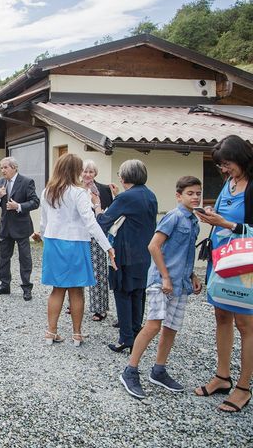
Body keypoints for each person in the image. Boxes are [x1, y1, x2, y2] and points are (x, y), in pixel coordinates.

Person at [120, 176, 203, 399]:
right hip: (161, 282)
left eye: (198, 193)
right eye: (190, 193)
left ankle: (159, 370)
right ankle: (130, 370)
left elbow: (184, 253)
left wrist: (192, 274)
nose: (195, 197)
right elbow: (153, 246)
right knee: (153, 325)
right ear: (179, 196)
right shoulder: (173, 217)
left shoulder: (194, 221)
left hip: (181, 283)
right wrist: (165, 277)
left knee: (171, 327)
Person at [194, 134, 253, 413]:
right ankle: (222, 375)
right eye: (220, 166)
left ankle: (243, 387)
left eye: (227, 164)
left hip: (244, 264)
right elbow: (222, 216)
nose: (223, 170)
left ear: (242, 159)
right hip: (220, 259)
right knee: (221, 316)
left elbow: (240, 226)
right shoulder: (229, 184)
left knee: (246, 324)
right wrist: (209, 215)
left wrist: (227, 224)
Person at [39, 154, 116, 346]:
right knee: (76, 290)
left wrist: (43, 237)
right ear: (76, 171)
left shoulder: (47, 191)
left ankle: (51, 332)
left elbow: (43, 222)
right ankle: (77, 334)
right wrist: (107, 246)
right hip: (76, 242)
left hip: (53, 242)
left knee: (57, 289)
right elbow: (90, 222)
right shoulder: (79, 192)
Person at [94, 159, 157, 354]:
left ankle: (126, 338)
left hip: (125, 251)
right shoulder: (149, 194)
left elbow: (104, 221)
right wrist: (117, 197)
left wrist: (97, 207)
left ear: (124, 177)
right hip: (144, 251)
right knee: (138, 292)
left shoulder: (126, 198)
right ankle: (137, 332)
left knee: (122, 292)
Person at [0, 157, 40, 301]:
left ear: (14, 168)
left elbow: (35, 202)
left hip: (22, 226)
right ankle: (4, 285)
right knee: (3, 258)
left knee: (25, 258)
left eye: (5, 167)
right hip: (5, 227)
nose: (3, 170)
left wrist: (18, 206)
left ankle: (26, 288)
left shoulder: (26, 182)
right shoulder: (0, 183)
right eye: (1, 168)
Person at [82, 159, 117, 322]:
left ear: (95, 173)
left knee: (99, 271)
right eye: (85, 171)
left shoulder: (103, 189)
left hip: (98, 234)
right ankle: (75, 304)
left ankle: (100, 308)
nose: (88, 175)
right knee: (77, 269)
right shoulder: (75, 189)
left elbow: (110, 213)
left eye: (91, 172)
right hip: (78, 234)